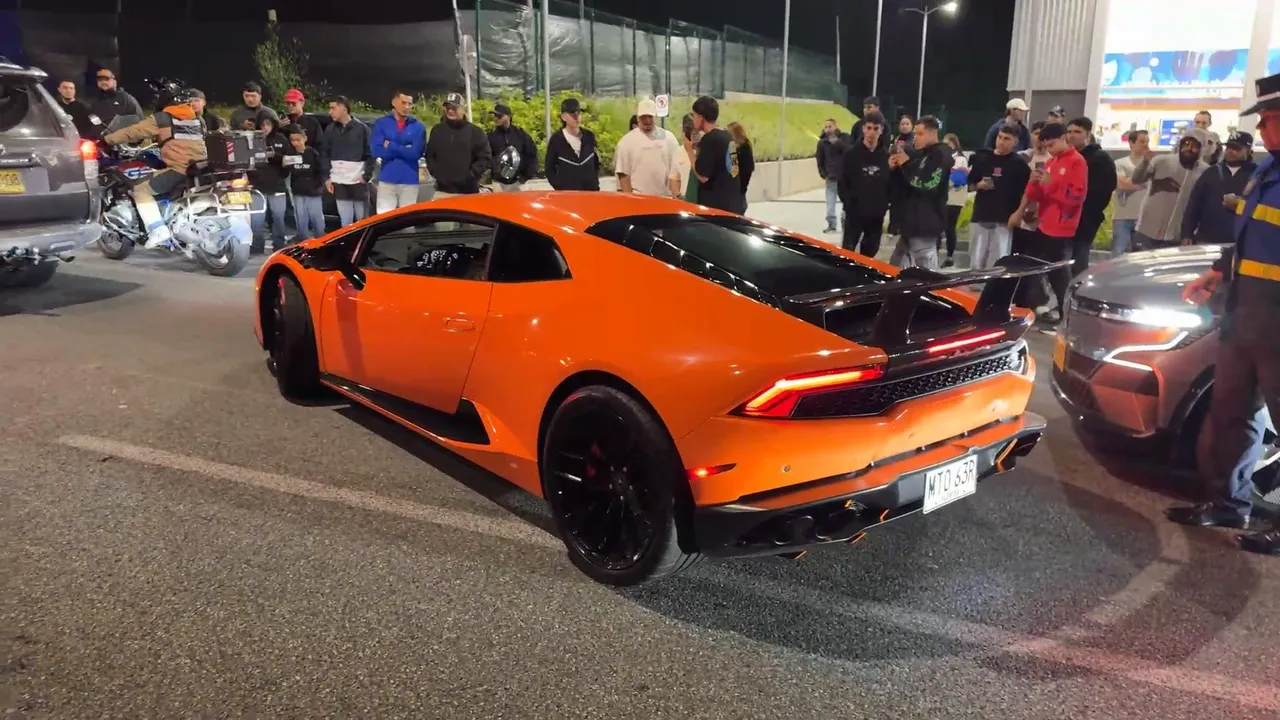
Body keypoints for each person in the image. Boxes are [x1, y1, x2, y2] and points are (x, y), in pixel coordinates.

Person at [1166, 71, 1280, 556]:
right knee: (1231, 412)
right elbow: (1251, 238)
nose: (1260, 129)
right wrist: (1216, 273)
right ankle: (1229, 503)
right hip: (1245, 315)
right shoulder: (1266, 170)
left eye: (1268, 119)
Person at [102, 85, 206, 249]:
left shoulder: (162, 118)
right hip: (201, 167)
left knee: (140, 190)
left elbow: (133, 132)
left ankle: (157, 229)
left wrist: (105, 140)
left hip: (180, 168)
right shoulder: (197, 119)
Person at [1008, 122, 1086, 320]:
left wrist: (1050, 185)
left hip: (1061, 228)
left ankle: (1067, 315)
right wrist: (1035, 183)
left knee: (1058, 274)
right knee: (1034, 267)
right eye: (1046, 146)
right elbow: (1042, 194)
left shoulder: (1077, 162)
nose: (1049, 150)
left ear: (1063, 138)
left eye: (1051, 145)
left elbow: (1076, 197)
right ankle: (1033, 307)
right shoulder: (1052, 162)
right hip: (1045, 225)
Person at [887, 115, 952, 269]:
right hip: (910, 224)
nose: (915, 137)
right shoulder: (922, 155)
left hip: (925, 225)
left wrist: (906, 164)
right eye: (915, 133)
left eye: (920, 134)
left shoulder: (940, 155)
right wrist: (894, 168)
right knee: (894, 269)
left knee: (926, 273)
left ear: (933, 133)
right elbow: (906, 183)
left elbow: (927, 184)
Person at [1131, 128, 1209, 249]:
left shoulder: (1205, 171)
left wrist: (1190, 233)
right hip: (1147, 232)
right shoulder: (1161, 161)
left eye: (1195, 146)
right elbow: (1136, 179)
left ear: (1202, 149)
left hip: (1177, 237)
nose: (1189, 148)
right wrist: (1145, 162)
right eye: (1186, 144)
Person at [966, 124, 1030, 268]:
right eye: (1000, 137)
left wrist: (1019, 213)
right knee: (976, 259)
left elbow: (1027, 191)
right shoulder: (983, 158)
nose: (1001, 142)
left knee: (998, 260)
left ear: (1015, 141)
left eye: (1006, 139)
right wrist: (979, 185)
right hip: (981, 215)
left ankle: (994, 282)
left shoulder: (1019, 164)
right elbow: (969, 185)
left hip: (1004, 219)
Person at [1063, 116, 1116, 284]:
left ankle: (1078, 290)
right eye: (1069, 131)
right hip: (1064, 217)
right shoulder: (1065, 156)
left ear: (1087, 135)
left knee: (1078, 259)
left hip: (1085, 218)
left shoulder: (1099, 158)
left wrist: (1086, 208)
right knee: (1063, 261)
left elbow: (1106, 187)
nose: (1072, 135)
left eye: (1077, 132)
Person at [1181, 131, 1255, 246]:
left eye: (1236, 148)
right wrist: (1187, 233)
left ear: (1248, 151)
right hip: (1207, 239)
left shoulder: (1257, 175)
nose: (1230, 151)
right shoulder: (1211, 172)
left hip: (1241, 242)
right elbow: (1194, 204)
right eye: (1228, 147)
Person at [837, 110, 891, 256]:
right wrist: (849, 202)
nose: (872, 132)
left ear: (881, 130)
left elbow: (890, 184)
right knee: (847, 252)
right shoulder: (850, 154)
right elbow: (842, 181)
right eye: (869, 128)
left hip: (876, 215)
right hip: (854, 213)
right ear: (863, 128)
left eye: (876, 128)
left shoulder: (886, 156)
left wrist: (884, 204)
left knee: (870, 252)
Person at [425, 93, 491, 199]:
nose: (450, 111)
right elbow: (430, 154)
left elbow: (485, 157)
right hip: (442, 190)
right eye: (448, 108)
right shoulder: (437, 130)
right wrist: (436, 172)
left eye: (454, 108)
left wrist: (471, 175)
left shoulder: (475, 132)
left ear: (463, 109)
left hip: (468, 192)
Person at [682, 96, 741, 213]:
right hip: (731, 202)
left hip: (716, 206)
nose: (693, 119)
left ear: (701, 117)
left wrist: (689, 151)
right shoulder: (726, 135)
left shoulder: (710, 139)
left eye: (694, 115)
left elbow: (703, 176)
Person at [371, 91, 427, 213]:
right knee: (384, 220)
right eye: (403, 103)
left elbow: (415, 154)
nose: (406, 107)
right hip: (387, 179)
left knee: (408, 219)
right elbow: (376, 150)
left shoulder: (418, 127)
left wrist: (391, 146)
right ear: (394, 102)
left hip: (409, 180)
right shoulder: (381, 124)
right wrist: (405, 148)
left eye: (409, 104)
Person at [321, 96, 373, 227]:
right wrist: (327, 178)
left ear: (344, 108)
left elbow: (371, 154)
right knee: (345, 220)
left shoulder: (362, 129)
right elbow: (324, 154)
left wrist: (366, 176)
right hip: (339, 182)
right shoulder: (330, 130)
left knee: (362, 220)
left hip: (357, 181)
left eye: (333, 108)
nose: (330, 112)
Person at [614, 98, 681, 197]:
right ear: (637, 118)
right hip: (638, 198)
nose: (647, 120)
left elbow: (676, 170)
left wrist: (675, 194)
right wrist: (630, 199)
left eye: (650, 117)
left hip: (665, 198)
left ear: (655, 117)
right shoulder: (626, 142)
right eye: (643, 117)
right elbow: (623, 174)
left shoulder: (668, 138)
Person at [249, 116, 291, 252]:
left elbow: (289, 159)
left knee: (278, 217)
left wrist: (276, 158)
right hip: (257, 184)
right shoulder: (252, 139)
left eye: (268, 124)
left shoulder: (281, 139)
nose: (265, 128)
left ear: (273, 125)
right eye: (262, 125)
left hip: (277, 184)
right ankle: (257, 246)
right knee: (257, 218)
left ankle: (279, 245)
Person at [545, 97, 601, 191]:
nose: (576, 117)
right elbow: (549, 168)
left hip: (591, 192)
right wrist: (560, 187)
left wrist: (594, 182)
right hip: (567, 194)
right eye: (572, 114)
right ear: (563, 117)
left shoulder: (589, 137)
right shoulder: (556, 140)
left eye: (578, 113)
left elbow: (596, 162)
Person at [1111, 129, 1150, 257]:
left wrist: (1131, 181)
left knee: (1141, 256)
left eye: (1147, 141)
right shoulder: (1120, 163)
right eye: (1142, 141)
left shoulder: (1152, 165)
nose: (1145, 145)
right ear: (1131, 143)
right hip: (1123, 216)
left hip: (1144, 218)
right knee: (1118, 253)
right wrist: (1145, 184)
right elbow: (1122, 185)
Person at [286, 129, 326, 240]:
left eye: (298, 140)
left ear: (305, 139)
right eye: (293, 140)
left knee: (316, 216)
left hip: (313, 191)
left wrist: (318, 186)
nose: (295, 143)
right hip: (298, 190)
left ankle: (321, 237)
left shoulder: (313, 153)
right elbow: (287, 172)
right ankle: (302, 238)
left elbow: (321, 171)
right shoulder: (291, 154)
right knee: (300, 216)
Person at [487, 103, 537, 192]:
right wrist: (494, 173)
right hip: (499, 183)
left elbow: (532, 155)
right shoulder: (491, 136)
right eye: (495, 116)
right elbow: (487, 156)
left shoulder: (521, 135)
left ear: (509, 116)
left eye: (499, 116)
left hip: (519, 182)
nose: (496, 118)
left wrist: (526, 177)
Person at [817, 119, 851, 233]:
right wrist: (823, 174)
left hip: (844, 178)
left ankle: (846, 223)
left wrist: (837, 143)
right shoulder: (822, 142)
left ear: (835, 127)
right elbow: (820, 159)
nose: (828, 129)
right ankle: (831, 224)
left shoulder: (844, 137)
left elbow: (849, 150)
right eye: (826, 127)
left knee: (847, 203)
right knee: (830, 205)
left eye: (830, 126)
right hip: (830, 178)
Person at [942, 133, 969, 267]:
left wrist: (941, 185)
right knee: (939, 227)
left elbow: (959, 179)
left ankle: (949, 255)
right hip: (943, 198)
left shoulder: (960, 159)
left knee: (949, 227)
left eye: (948, 144)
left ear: (954, 144)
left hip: (954, 199)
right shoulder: (942, 158)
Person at [727, 121, 755, 213]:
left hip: (737, 194)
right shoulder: (743, 148)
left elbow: (736, 169)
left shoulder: (742, 150)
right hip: (738, 193)